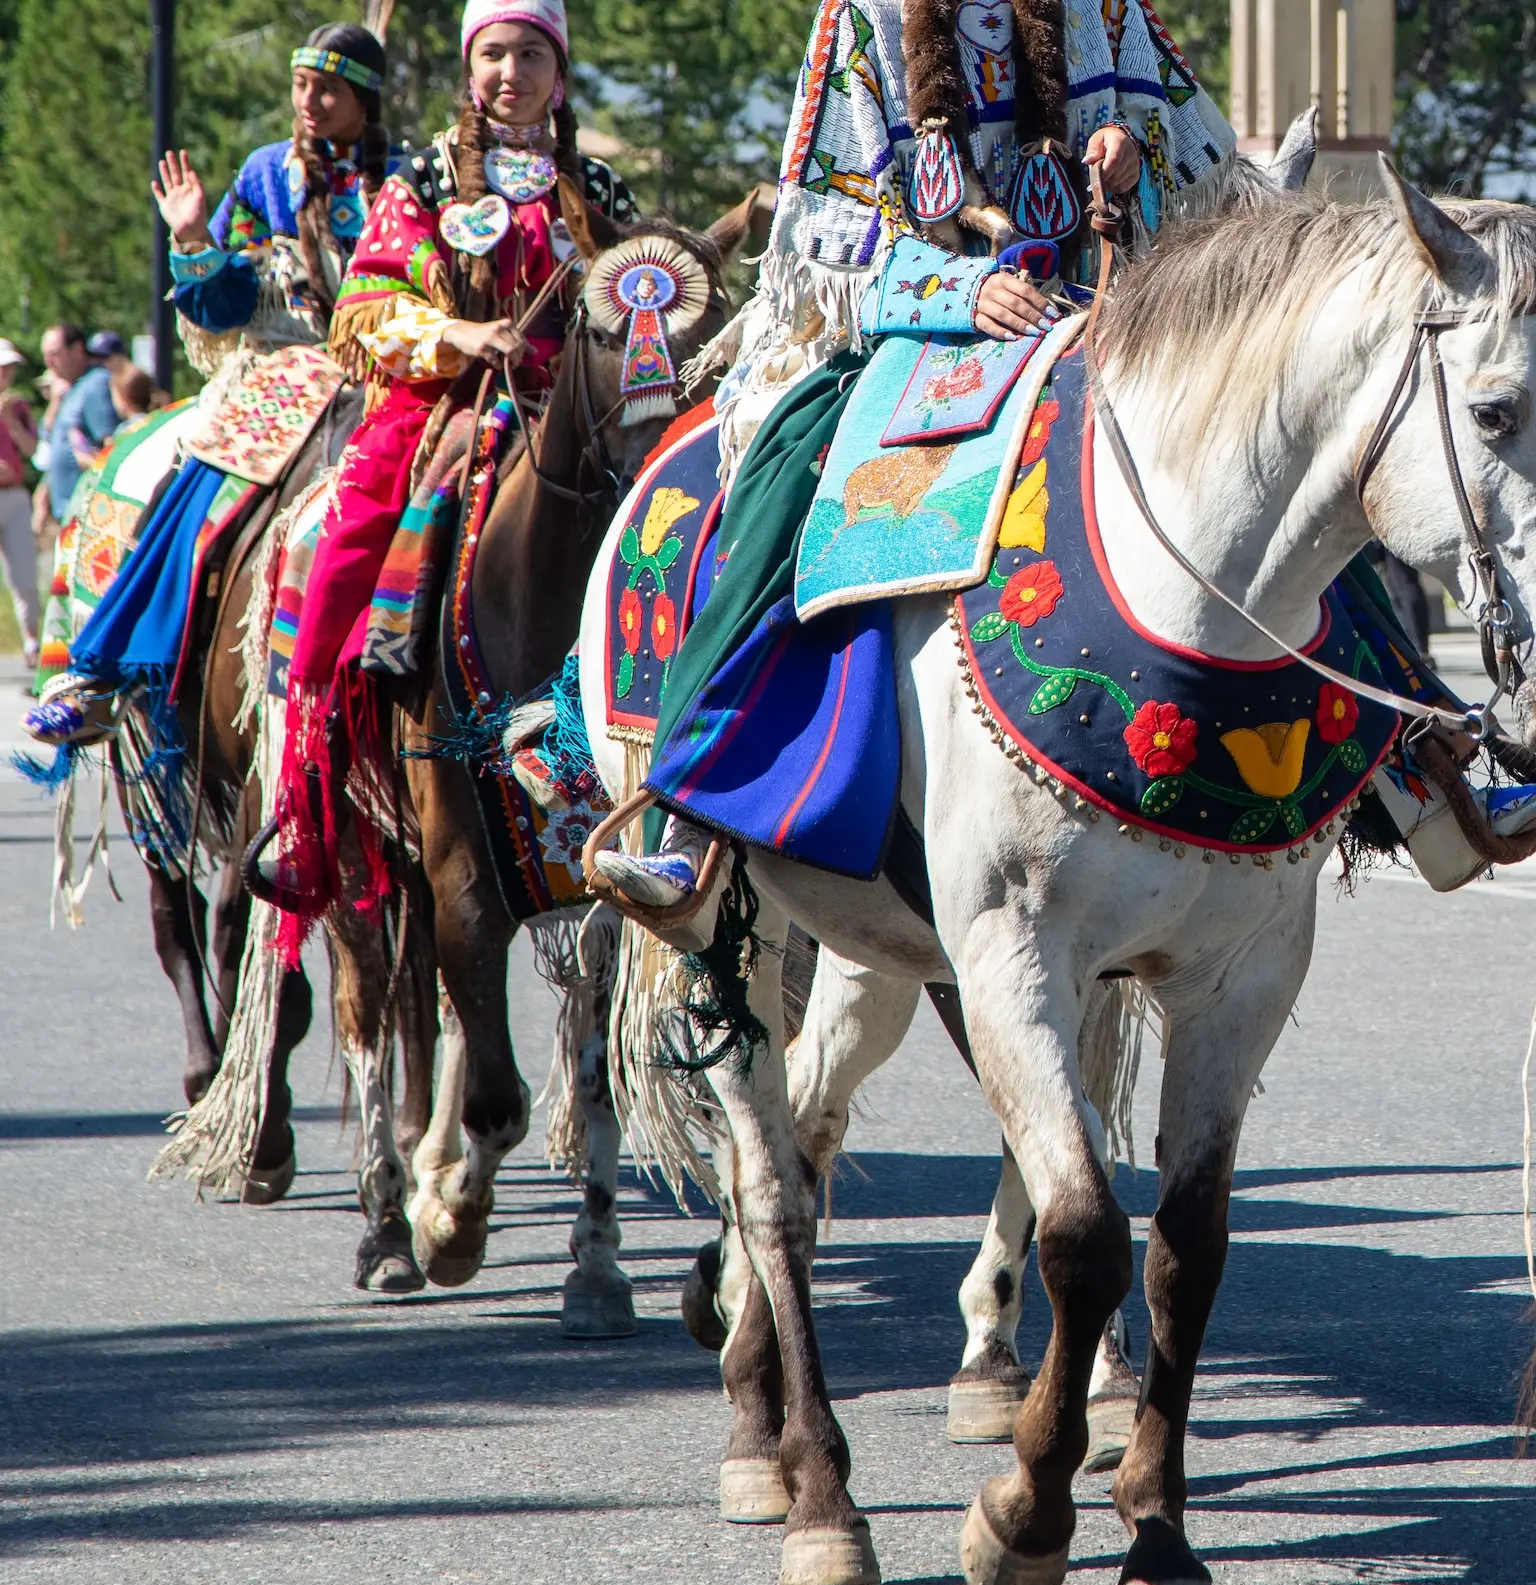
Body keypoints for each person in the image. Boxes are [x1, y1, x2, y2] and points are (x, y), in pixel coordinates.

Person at [588, 0, 1233, 910]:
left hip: (1100, 315)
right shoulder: (865, 17)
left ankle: (1415, 752)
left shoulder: (1104, 8)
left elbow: (1207, 165)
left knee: (1253, 450)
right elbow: (824, 229)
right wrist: (958, 287)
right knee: (788, 479)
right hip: (918, 333)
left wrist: (1132, 159)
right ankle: (692, 810)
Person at [264, 0, 637, 947]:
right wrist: (460, 332)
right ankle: (315, 786)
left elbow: (641, 301)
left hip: (579, 419)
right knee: (345, 538)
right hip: (453, 402)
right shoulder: (426, 179)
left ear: (559, 69)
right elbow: (366, 299)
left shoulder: (594, 185)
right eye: (494, 55)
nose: (510, 73)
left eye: (529, 54)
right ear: (473, 71)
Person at [23, 22, 401, 750]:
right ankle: (104, 667)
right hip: (285, 368)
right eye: (301, 85)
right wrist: (195, 239)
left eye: (328, 88)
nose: (310, 101)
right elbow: (225, 308)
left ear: (366, 98)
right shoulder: (267, 174)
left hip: (388, 370)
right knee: (196, 484)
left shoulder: (408, 177)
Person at [36, 326, 115, 530]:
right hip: (68, 513)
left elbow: (111, 445)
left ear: (78, 350)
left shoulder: (95, 385)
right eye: (46, 356)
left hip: (88, 514)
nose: (48, 362)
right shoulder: (71, 388)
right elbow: (47, 438)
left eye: (55, 354)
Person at [0, 339, 39, 668]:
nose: (6, 374)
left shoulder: (18, 407)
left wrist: (10, 421)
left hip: (14, 495)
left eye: (9, 368)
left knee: (24, 572)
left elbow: (30, 451)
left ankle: (32, 640)